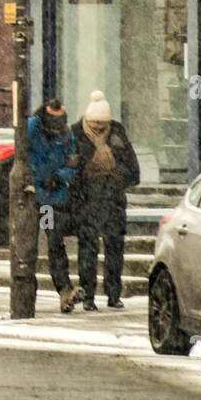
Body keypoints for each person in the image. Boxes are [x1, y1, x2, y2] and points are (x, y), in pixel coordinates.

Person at [69, 91, 140, 310]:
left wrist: (116, 175)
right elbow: (70, 172)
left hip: (113, 202)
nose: (99, 128)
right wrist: (86, 173)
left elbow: (134, 171)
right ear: (87, 120)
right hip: (87, 203)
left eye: (103, 124)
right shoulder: (75, 134)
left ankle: (113, 295)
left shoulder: (117, 133)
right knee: (88, 251)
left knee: (115, 250)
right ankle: (88, 296)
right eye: (95, 124)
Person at [28, 99, 80, 313]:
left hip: (52, 199)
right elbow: (20, 155)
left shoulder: (67, 135)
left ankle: (64, 289)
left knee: (54, 241)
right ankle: (31, 292)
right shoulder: (32, 129)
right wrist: (34, 180)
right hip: (32, 196)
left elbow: (72, 165)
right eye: (54, 127)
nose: (57, 131)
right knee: (28, 245)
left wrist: (58, 177)